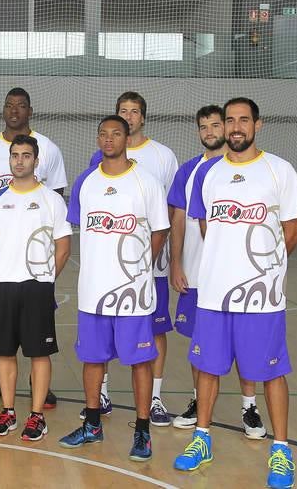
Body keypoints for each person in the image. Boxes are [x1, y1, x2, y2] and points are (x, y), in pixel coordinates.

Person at [173, 98, 297, 489]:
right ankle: (202, 439)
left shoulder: (279, 171)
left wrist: (263, 270)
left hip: (261, 298)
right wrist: (223, 265)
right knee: (208, 368)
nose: (235, 127)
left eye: (243, 120)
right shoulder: (209, 174)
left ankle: (280, 450)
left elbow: (291, 229)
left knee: (271, 372)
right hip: (213, 295)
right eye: (230, 120)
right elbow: (205, 227)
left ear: (257, 125)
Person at [59, 115, 169, 463]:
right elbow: (76, 227)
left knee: (140, 361)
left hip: (133, 294)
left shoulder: (146, 182)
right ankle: (92, 424)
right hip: (94, 291)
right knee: (93, 359)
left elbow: (160, 230)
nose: (109, 140)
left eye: (116, 134)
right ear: (97, 139)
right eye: (103, 134)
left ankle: (142, 430)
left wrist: (139, 267)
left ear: (127, 137)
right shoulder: (86, 183)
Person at [168, 105, 265, 438]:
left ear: (225, 128)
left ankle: (249, 407)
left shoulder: (244, 169)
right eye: (203, 126)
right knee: (199, 344)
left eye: (214, 125)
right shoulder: (189, 171)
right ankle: (199, 403)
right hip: (197, 275)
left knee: (244, 345)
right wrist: (176, 262)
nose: (209, 131)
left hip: (238, 275)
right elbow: (178, 220)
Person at [0, 87, 67, 408]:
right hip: (3, 265)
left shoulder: (50, 150)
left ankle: (36, 385)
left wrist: (47, 269)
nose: (14, 111)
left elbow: (56, 209)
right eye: (9, 105)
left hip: (36, 271)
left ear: (30, 110)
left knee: (37, 340)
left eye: (21, 106)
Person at [88, 91, 177, 424]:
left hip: (150, 266)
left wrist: (145, 261)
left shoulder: (162, 156)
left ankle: (154, 399)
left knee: (155, 329)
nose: (128, 116)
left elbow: (167, 211)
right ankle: (103, 394)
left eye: (134, 111)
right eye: (122, 111)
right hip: (110, 270)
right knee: (104, 333)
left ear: (143, 117)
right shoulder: (98, 161)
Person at [0, 135, 71, 441]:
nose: (19, 160)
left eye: (26, 155)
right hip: (3, 287)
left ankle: (36, 416)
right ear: (10, 160)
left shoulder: (52, 200)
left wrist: (45, 278)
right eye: (15, 155)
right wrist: (8, 266)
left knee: (38, 353)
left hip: (37, 289)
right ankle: (8, 411)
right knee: (3, 353)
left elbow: (63, 247)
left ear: (36, 161)